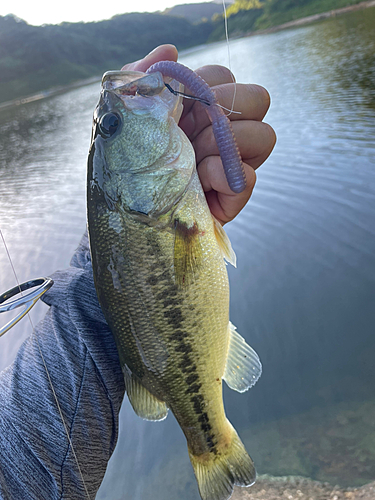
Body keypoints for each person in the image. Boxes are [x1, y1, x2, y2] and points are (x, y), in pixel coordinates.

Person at [0, 45, 276, 499]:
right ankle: (212, 446)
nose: (114, 114)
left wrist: (95, 281)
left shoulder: (147, 207)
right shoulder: (151, 209)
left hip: (161, 295)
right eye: (111, 127)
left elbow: (119, 251)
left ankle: (209, 444)